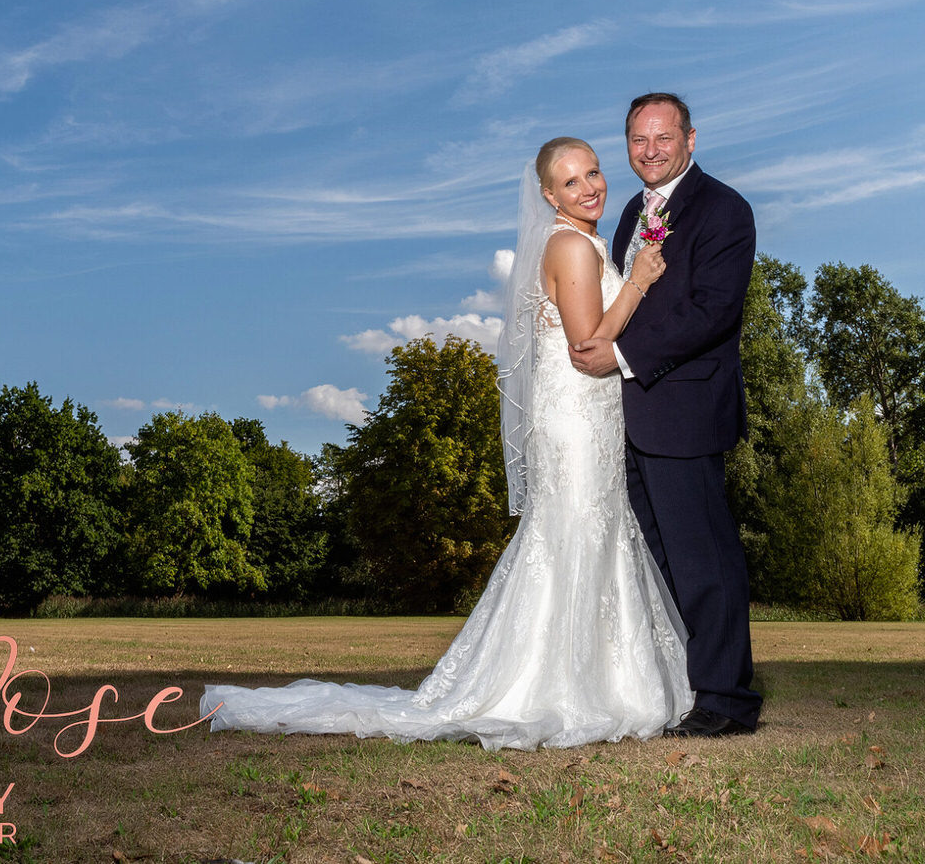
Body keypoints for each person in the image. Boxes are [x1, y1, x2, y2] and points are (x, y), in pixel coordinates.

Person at [199, 137, 692, 751]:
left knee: (588, 532)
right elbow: (588, 348)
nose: (590, 187)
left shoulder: (582, 240)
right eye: (571, 182)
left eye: (593, 172)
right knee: (575, 532)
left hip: (588, 418)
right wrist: (640, 281)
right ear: (548, 195)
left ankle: (596, 680)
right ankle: (566, 688)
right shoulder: (569, 244)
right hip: (575, 419)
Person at [569, 92, 761, 736]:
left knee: (705, 559)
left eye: (663, 137)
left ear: (691, 139)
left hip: (687, 411)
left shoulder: (724, 209)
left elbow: (712, 312)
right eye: (637, 140)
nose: (650, 151)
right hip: (632, 417)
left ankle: (727, 700)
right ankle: (689, 681)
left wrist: (619, 355)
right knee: (663, 561)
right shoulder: (629, 213)